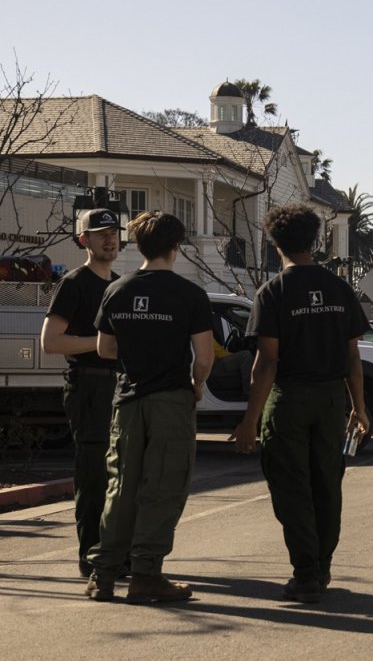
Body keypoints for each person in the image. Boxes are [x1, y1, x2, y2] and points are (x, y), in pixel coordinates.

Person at [231, 204, 370, 604]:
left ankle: (306, 574)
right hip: (331, 401)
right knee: (327, 484)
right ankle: (321, 567)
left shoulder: (273, 292)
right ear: (316, 241)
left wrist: (250, 421)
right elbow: (353, 357)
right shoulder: (340, 290)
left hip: (289, 400)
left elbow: (267, 362)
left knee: (292, 487)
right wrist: (359, 407)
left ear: (275, 243)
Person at [88, 211, 214, 604]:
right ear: (176, 247)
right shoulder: (190, 294)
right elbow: (204, 357)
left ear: (138, 246)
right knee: (163, 486)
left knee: (120, 486)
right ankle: (145, 574)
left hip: (127, 399)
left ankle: (103, 575)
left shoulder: (117, 290)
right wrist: (196, 385)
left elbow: (104, 348)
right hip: (171, 400)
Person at [40, 208, 121, 579]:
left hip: (119, 387)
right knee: (93, 477)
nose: (110, 239)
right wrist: (102, 343)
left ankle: (117, 553)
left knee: (120, 475)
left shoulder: (119, 284)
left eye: (114, 232)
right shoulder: (74, 283)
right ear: (84, 240)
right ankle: (91, 557)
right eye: (101, 233)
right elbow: (50, 342)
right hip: (88, 387)